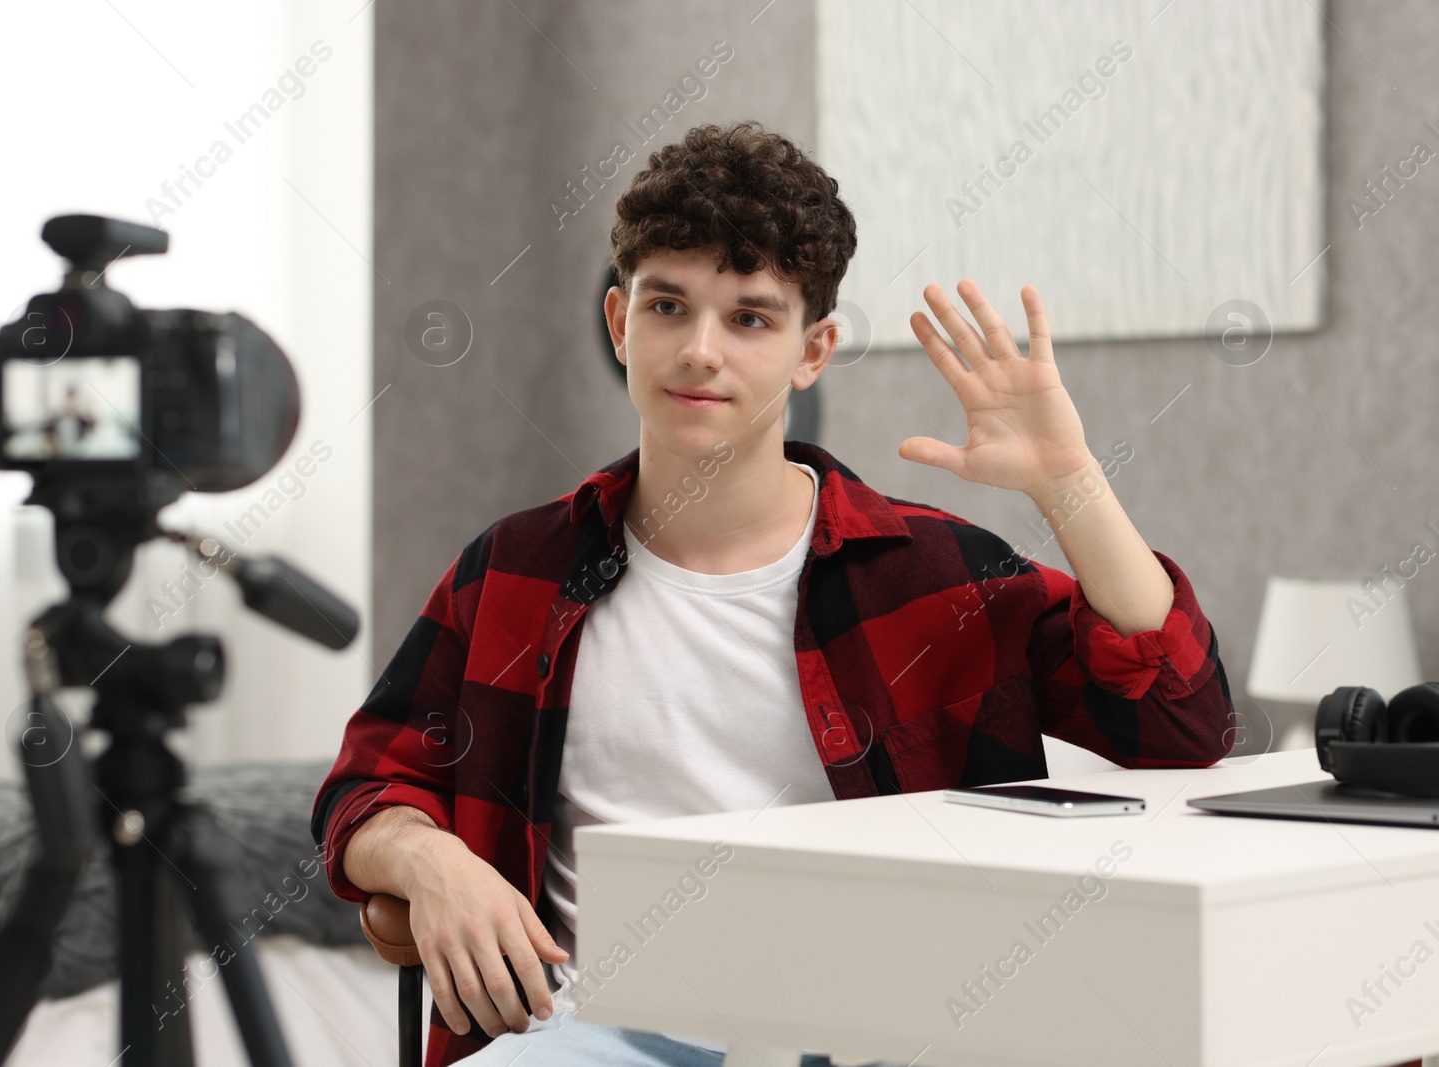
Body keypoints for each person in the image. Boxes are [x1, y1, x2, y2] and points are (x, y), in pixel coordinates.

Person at [311, 120, 1236, 1067]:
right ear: (622, 323)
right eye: (668, 307)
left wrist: (1069, 481)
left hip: (879, 1032)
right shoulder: (514, 569)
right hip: (587, 1027)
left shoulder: (936, 574)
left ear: (814, 349)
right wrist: (429, 861)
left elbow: (1181, 724)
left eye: (750, 317)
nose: (700, 351)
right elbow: (364, 787)